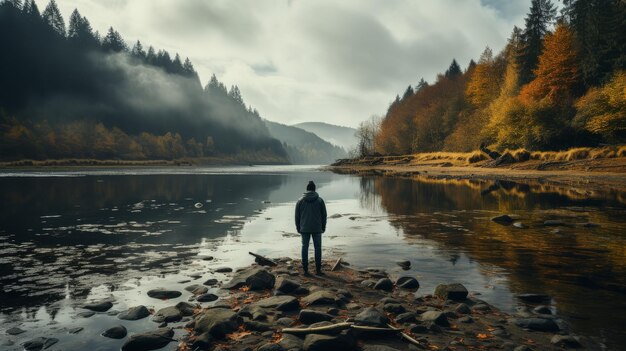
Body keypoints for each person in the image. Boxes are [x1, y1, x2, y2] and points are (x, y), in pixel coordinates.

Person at [295, 180, 327, 276]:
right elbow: (324, 215)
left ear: (307, 189)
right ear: (314, 189)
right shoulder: (320, 200)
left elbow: (297, 216)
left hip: (304, 228)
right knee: (317, 248)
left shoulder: (300, 201)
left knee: (305, 248)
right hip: (317, 228)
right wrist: (323, 226)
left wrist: (298, 227)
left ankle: (305, 270)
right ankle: (318, 270)